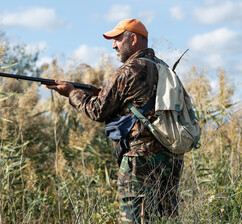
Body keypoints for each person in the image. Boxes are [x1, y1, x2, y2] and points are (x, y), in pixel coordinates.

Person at [46, 19, 184, 223]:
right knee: (164, 219)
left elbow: (97, 110)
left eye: (118, 39)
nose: (114, 45)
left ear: (134, 38)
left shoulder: (129, 70)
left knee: (134, 219)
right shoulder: (164, 69)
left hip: (140, 161)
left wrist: (72, 93)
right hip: (170, 160)